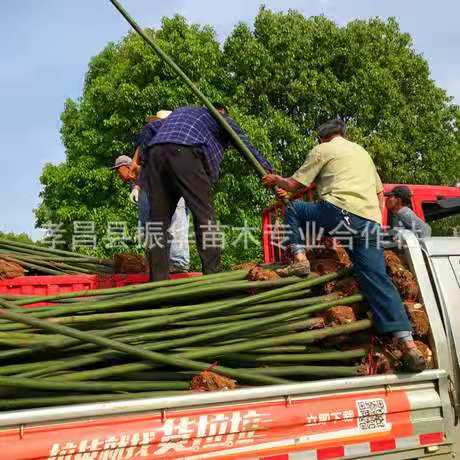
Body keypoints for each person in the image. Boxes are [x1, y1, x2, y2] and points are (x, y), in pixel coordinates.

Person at [262, 118, 426, 372]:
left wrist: (277, 181)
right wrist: (371, 223)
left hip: (340, 213)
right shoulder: (362, 153)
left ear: (322, 138)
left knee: (293, 208)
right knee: (377, 279)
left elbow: (295, 186)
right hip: (369, 222)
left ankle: (301, 260)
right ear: (343, 133)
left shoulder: (324, 149)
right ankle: (408, 344)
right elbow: (381, 195)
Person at [143, 104, 273, 281]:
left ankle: (157, 282)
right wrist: (267, 171)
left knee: (157, 222)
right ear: (223, 113)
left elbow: (150, 128)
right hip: (186, 152)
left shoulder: (184, 113)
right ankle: (213, 276)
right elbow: (243, 142)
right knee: (205, 217)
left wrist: (141, 157)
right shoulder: (220, 118)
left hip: (155, 152)